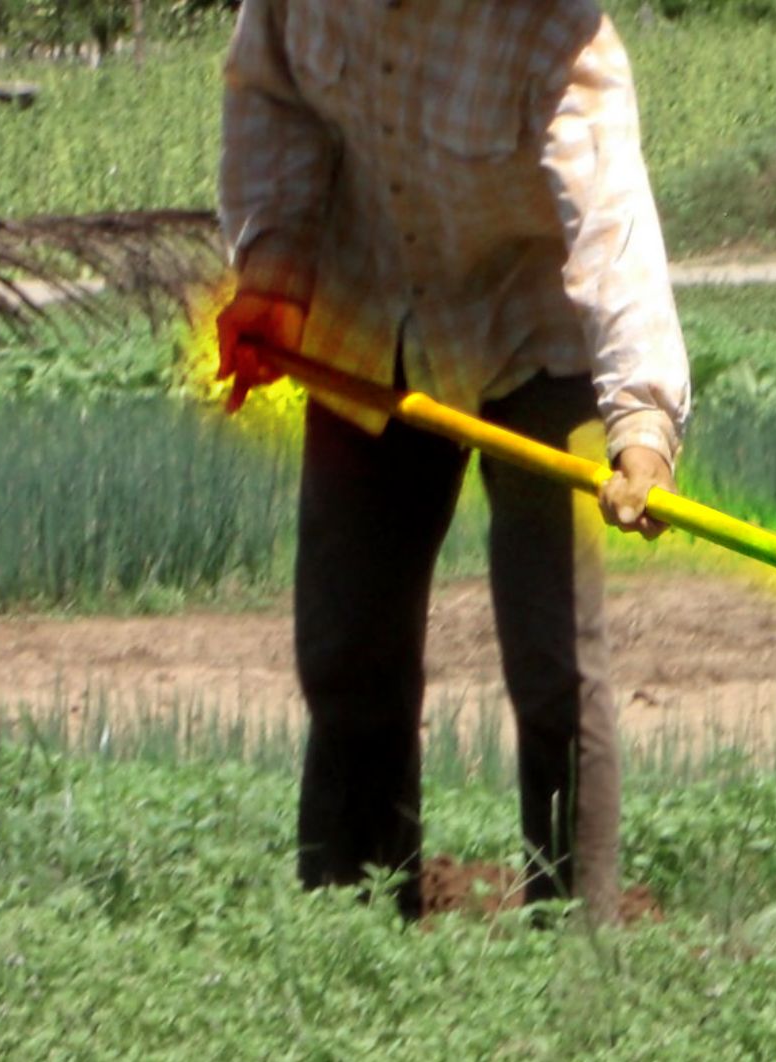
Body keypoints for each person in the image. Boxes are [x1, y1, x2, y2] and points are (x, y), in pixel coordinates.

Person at [214, 0, 691, 923]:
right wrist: (272, 268)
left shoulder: (547, 23)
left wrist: (640, 422)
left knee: (555, 659)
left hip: (536, 334)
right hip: (367, 315)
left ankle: (575, 937)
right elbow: (271, 98)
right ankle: (352, 921)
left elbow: (610, 220)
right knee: (348, 647)